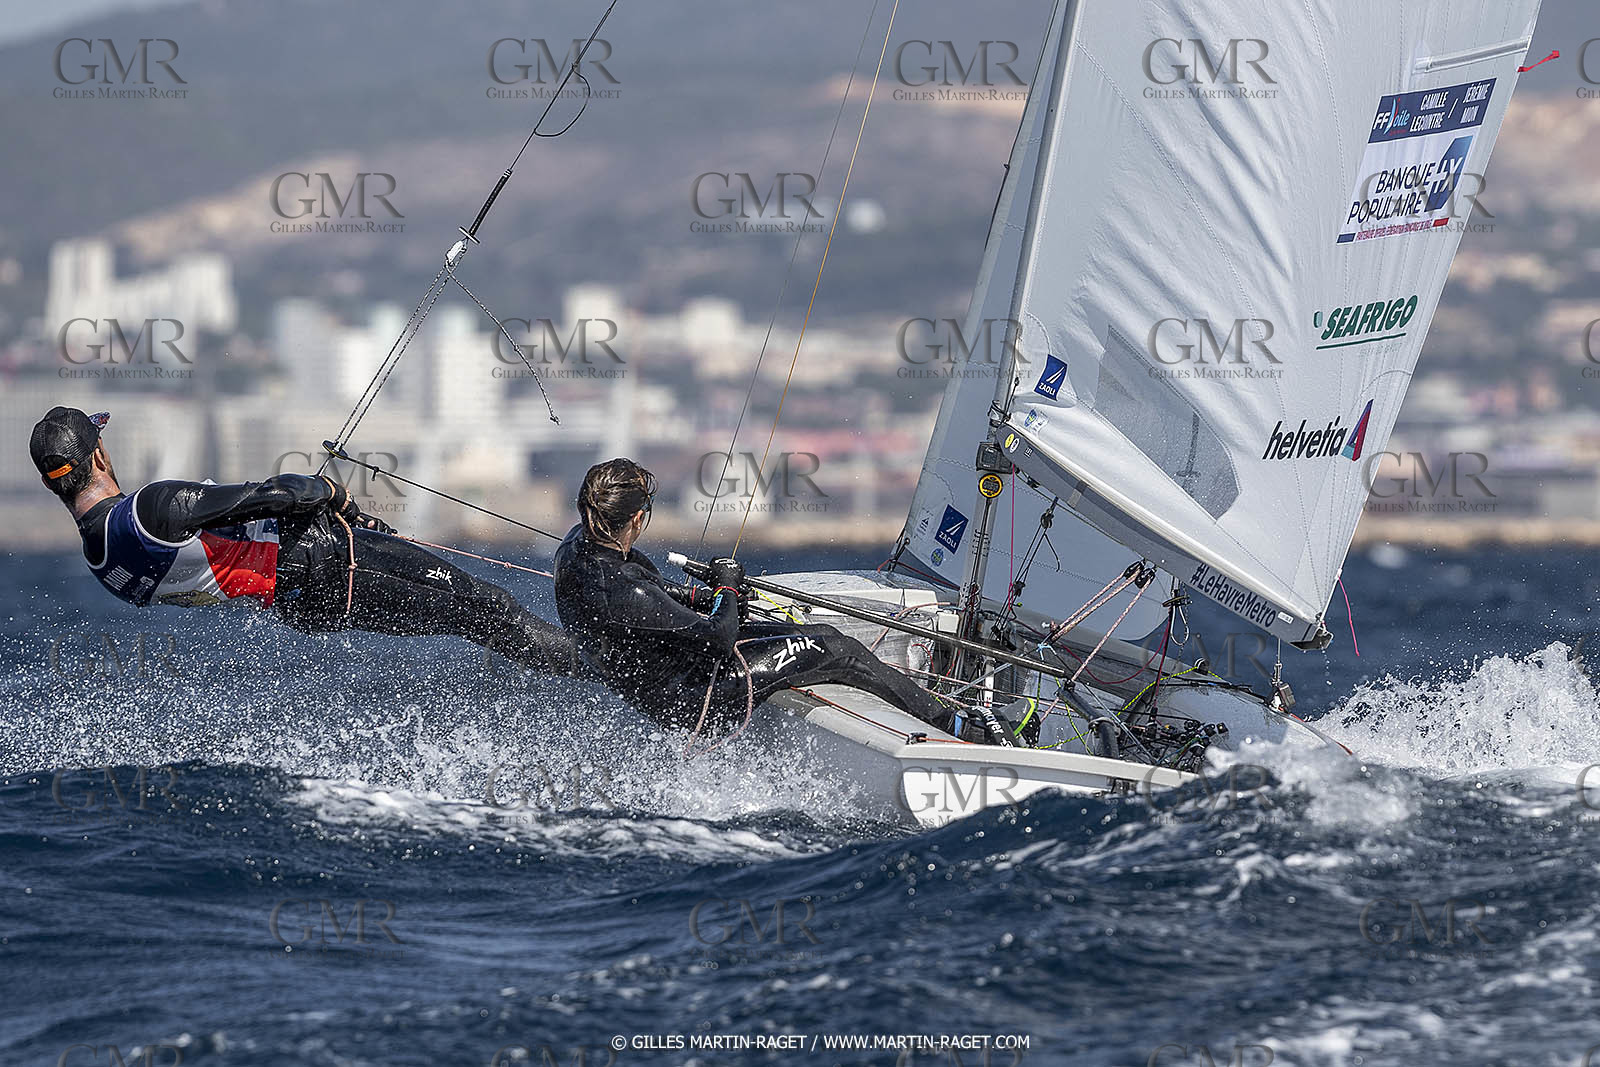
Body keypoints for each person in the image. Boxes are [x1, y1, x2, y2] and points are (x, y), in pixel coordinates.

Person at [31, 406, 582, 676]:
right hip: (326, 560)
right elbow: (273, 494)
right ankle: (617, 670)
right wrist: (333, 496)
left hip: (304, 606)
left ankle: (595, 673)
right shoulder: (147, 508)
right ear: (98, 456)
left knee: (472, 620)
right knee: (487, 607)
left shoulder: (103, 566)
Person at [553, 457, 957, 735]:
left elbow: (649, 603)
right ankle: (952, 723)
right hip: (696, 700)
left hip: (664, 683)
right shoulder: (624, 588)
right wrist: (727, 585)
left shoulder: (576, 548)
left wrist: (698, 594)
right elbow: (718, 638)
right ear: (638, 517)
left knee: (805, 630)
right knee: (837, 648)